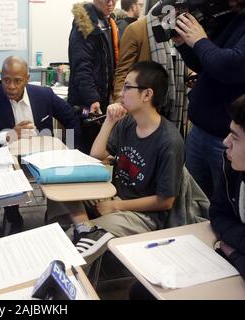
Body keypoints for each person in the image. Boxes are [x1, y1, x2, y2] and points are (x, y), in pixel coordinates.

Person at [73, 61, 185, 261]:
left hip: (142, 216)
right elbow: (97, 155)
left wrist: (116, 207)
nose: (121, 93)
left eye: (127, 87)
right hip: (114, 197)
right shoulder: (127, 123)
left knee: (73, 243)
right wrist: (109, 120)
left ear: (147, 95)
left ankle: (83, 233)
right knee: (62, 192)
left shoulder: (169, 141)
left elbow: (165, 201)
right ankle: (83, 227)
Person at [0, 56, 84, 234]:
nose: (11, 86)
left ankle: (56, 214)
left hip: (43, 155)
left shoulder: (44, 95)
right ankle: (12, 215)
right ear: (1, 77)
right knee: (8, 171)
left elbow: (71, 118)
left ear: (26, 78)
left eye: (17, 81)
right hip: (9, 158)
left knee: (61, 172)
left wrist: (70, 150)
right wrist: (8, 135)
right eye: (6, 80)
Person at [172, 0, 245, 199]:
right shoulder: (233, 15)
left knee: (225, 205)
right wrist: (184, 43)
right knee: (191, 204)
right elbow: (207, 64)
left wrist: (198, 40)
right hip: (201, 131)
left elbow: (232, 66)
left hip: (229, 139)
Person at [113, 5, 189, 135]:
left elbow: (183, 65)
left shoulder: (181, 30)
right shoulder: (136, 30)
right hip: (144, 109)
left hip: (175, 108)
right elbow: (122, 71)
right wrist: (121, 104)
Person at [68, 0, 119, 154]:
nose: (111, 3)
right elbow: (82, 66)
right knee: (84, 152)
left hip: (102, 99)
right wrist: (92, 98)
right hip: (86, 103)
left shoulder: (109, 21)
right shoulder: (85, 24)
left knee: (99, 150)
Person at [210, 94, 245, 279]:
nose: (225, 142)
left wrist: (233, 253)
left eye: (235, 138)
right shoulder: (233, 167)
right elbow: (218, 213)